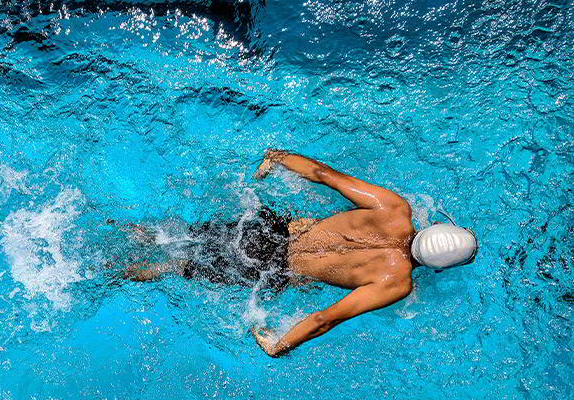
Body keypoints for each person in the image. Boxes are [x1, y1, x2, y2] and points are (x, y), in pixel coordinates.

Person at [123, 150, 477, 357]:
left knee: (172, 236)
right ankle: (116, 272)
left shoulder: (394, 208)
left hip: (268, 230)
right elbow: (327, 318)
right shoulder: (396, 283)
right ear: (438, 268)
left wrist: (278, 158)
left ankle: (123, 228)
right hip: (271, 269)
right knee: (177, 267)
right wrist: (280, 344)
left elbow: (324, 175)